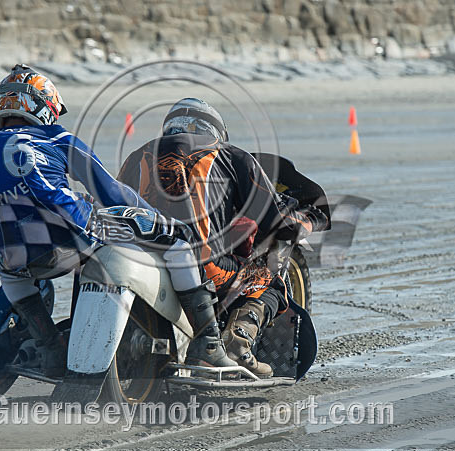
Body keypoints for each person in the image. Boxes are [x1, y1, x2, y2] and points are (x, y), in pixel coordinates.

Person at [0, 67, 236, 378]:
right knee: (179, 244)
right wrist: (154, 217)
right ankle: (209, 344)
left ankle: (49, 346)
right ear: (41, 105)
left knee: (11, 275)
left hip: (13, 251)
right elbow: (110, 192)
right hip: (72, 234)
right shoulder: (57, 137)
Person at [118, 98, 328, 378]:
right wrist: (310, 219)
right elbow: (278, 223)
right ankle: (238, 343)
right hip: (203, 268)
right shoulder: (230, 155)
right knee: (269, 278)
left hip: (139, 261)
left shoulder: (136, 157)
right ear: (215, 130)